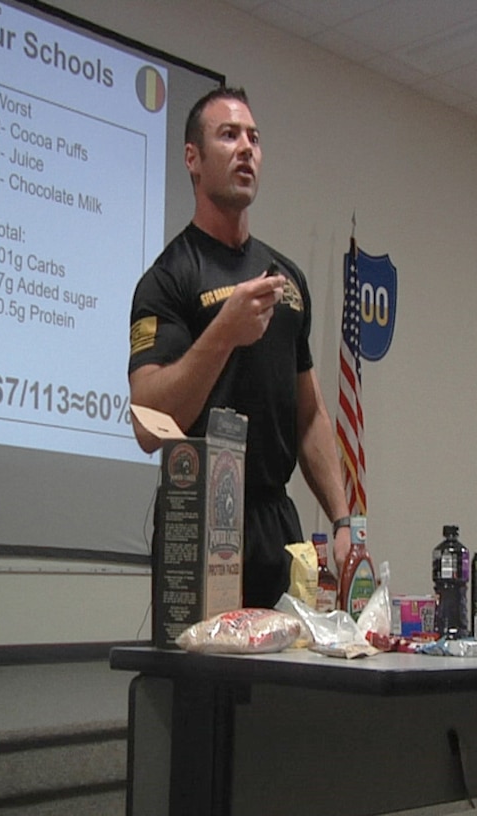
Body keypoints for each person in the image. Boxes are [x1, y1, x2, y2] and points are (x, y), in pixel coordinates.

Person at [127, 86, 350, 607]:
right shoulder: (168, 280)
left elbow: (311, 414)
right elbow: (147, 424)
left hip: (278, 522)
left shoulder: (286, 278)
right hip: (202, 519)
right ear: (193, 159)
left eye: (253, 137)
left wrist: (343, 520)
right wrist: (224, 332)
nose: (246, 147)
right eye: (228, 135)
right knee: (208, 688)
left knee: (292, 682)